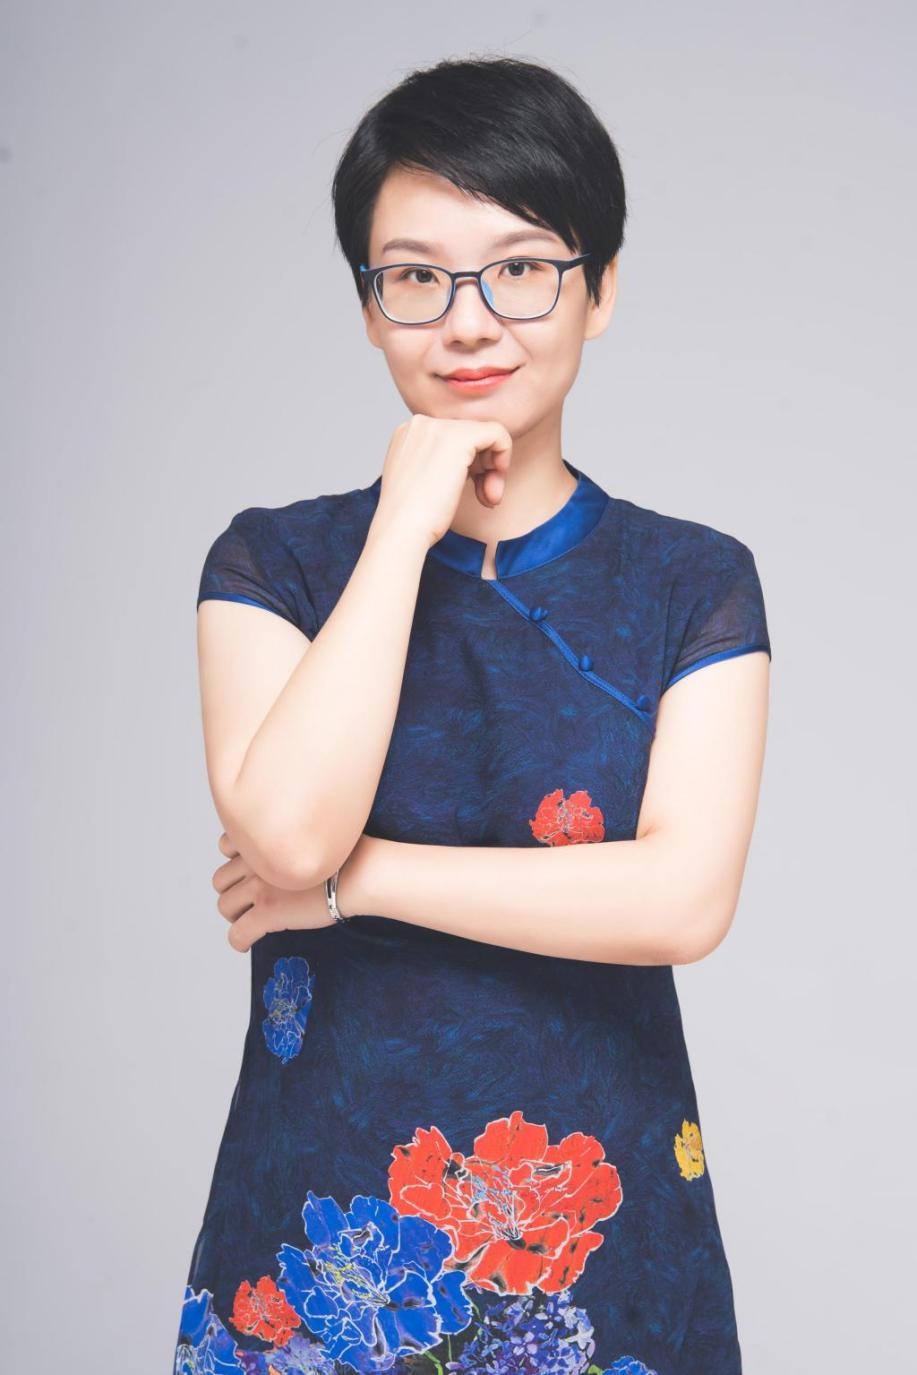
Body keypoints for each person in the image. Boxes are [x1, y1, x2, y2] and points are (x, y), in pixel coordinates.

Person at [174, 55, 771, 1375]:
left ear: (599, 290)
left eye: (521, 268)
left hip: (598, 1235)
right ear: (368, 306)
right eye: (415, 277)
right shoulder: (274, 563)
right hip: (321, 1237)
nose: (468, 321)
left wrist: (356, 886)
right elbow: (286, 832)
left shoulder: (692, 581)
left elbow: (680, 900)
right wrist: (403, 525)